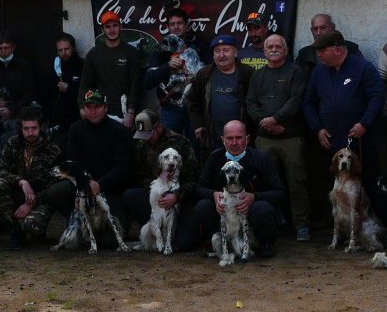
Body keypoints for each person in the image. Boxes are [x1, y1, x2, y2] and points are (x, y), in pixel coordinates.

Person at [303, 30, 387, 231]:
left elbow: (377, 97)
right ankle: (336, 225)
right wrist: (317, 128)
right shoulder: (319, 72)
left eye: (322, 50)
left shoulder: (363, 68)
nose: (318, 55)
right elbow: (308, 103)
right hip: (330, 140)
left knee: (369, 183)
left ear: (337, 49)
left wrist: (365, 123)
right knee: (331, 184)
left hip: (360, 140)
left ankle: (381, 225)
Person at [30, 90, 134, 241]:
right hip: (83, 186)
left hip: (111, 190)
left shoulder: (119, 131)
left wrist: (100, 184)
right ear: (83, 109)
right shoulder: (75, 129)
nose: (92, 111)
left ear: (105, 108)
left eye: (97, 107)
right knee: (57, 191)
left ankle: (100, 227)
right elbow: (73, 163)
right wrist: (84, 186)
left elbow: (124, 167)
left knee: (110, 242)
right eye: (89, 107)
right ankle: (78, 221)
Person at [179, 120, 284, 258]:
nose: (234, 143)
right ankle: (217, 242)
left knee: (262, 209)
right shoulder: (215, 157)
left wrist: (255, 197)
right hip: (225, 212)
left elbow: (279, 192)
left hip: (251, 211)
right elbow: (199, 188)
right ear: (223, 140)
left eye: (239, 138)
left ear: (247, 139)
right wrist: (213, 195)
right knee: (203, 206)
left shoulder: (261, 158)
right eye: (229, 138)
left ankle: (264, 243)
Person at [245, 34, 311, 241]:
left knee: (296, 183)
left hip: (290, 137)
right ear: (264, 52)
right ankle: (271, 223)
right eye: (270, 47)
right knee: (264, 184)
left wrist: (276, 118)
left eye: (278, 46)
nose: (274, 49)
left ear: (286, 50)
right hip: (264, 138)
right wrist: (265, 121)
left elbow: (296, 100)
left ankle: (301, 226)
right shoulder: (258, 75)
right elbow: (250, 102)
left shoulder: (296, 72)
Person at [120, 109, 199, 246]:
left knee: (184, 243)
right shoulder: (141, 144)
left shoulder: (180, 142)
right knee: (130, 195)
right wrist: (155, 191)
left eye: (149, 134)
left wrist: (176, 196)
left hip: (179, 196)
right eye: (142, 134)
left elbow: (194, 178)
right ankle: (154, 227)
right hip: (154, 195)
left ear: (159, 127)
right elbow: (139, 174)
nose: (146, 138)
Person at [0, 106, 62, 250]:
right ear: (21, 128)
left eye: (34, 128)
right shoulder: (13, 143)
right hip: (18, 193)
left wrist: (32, 202)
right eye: (26, 128)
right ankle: (15, 230)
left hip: (41, 199)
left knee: (32, 225)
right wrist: (20, 181)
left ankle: (32, 228)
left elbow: (56, 186)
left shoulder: (53, 149)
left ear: (41, 127)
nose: (30, 132)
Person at [144, 8, 203, 143]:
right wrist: (167, 66)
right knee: (170, 149)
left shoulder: (198, 46)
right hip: (171, 108)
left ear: (186, 25)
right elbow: (148, 81)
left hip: (194, 108)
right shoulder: (161, 49)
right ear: (168, 27)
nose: (176, 27)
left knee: (195, 149)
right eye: (172, 24)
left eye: (180, 23)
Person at [187, 34, 254, 151]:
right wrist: (198, 124)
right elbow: (193, 100)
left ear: (235, 53)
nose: (221, 55)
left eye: (226, 50)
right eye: (217, 51)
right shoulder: (204, 74)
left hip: (241, 138)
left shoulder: (247, 73)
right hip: (213, 137)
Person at [0, 31, 36, 152]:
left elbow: (30, 92)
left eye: (6, 48)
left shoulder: (23, 64)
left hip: (19, 112)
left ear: (13, 47)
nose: (3, 51)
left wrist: (12, 109)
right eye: (0, 48)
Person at [79, 11, 141, 124]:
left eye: (115, 26)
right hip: (99, 110)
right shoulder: (93, 54)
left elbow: (135, 85)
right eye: (107, 27)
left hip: (125, 111)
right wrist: (81, 107)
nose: (111, 30)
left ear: (120, 27)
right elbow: (85, 83)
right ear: (102, 30)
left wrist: (131, 112)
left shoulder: (131, 53)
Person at [50, 33, 84, 155]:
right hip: (59, 123)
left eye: (67, 49)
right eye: (60, 50)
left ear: (73, 48)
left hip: (78, 119)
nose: (64, 53)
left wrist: (69, 88)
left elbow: (88, 91)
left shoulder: (82, 66)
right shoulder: (54, 68)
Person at [294, 13, 361, 68]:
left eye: (323, 28)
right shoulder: (304, 54)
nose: (318, 33)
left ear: (332, 27)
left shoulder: (351, 49)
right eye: (315, 29)